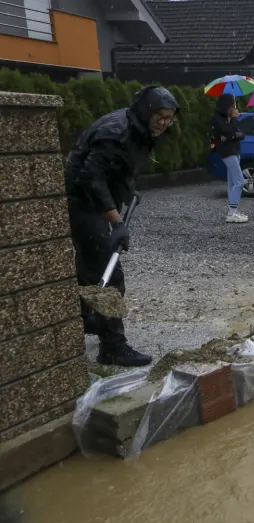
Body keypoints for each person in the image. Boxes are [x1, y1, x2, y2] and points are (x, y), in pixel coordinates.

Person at [65, 86, 180, 366]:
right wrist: (116, 222)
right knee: (109, 272)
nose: (163, 123)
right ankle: (112, 346)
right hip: (80, 201)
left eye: (168, 118)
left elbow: (117, 168)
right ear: (145, 111)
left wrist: (127, 189)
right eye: (159, 116)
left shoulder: (139, 129)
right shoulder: (116, 132)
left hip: (93, 200)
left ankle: (88, 320)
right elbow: (92, 178)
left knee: (86, 267)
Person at [211, 93, 247, 223]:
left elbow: (240, 134)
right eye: (231, 106)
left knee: (232, 181)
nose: (233, 108)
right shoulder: (217, 119)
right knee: (239, 181)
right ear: (226, 106)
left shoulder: (226, 118)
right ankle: (232, 213)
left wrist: (231, 134)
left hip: (234, 150)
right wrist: (233, 120)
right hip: (227, 152)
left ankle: (233, 211)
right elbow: (228, 131)